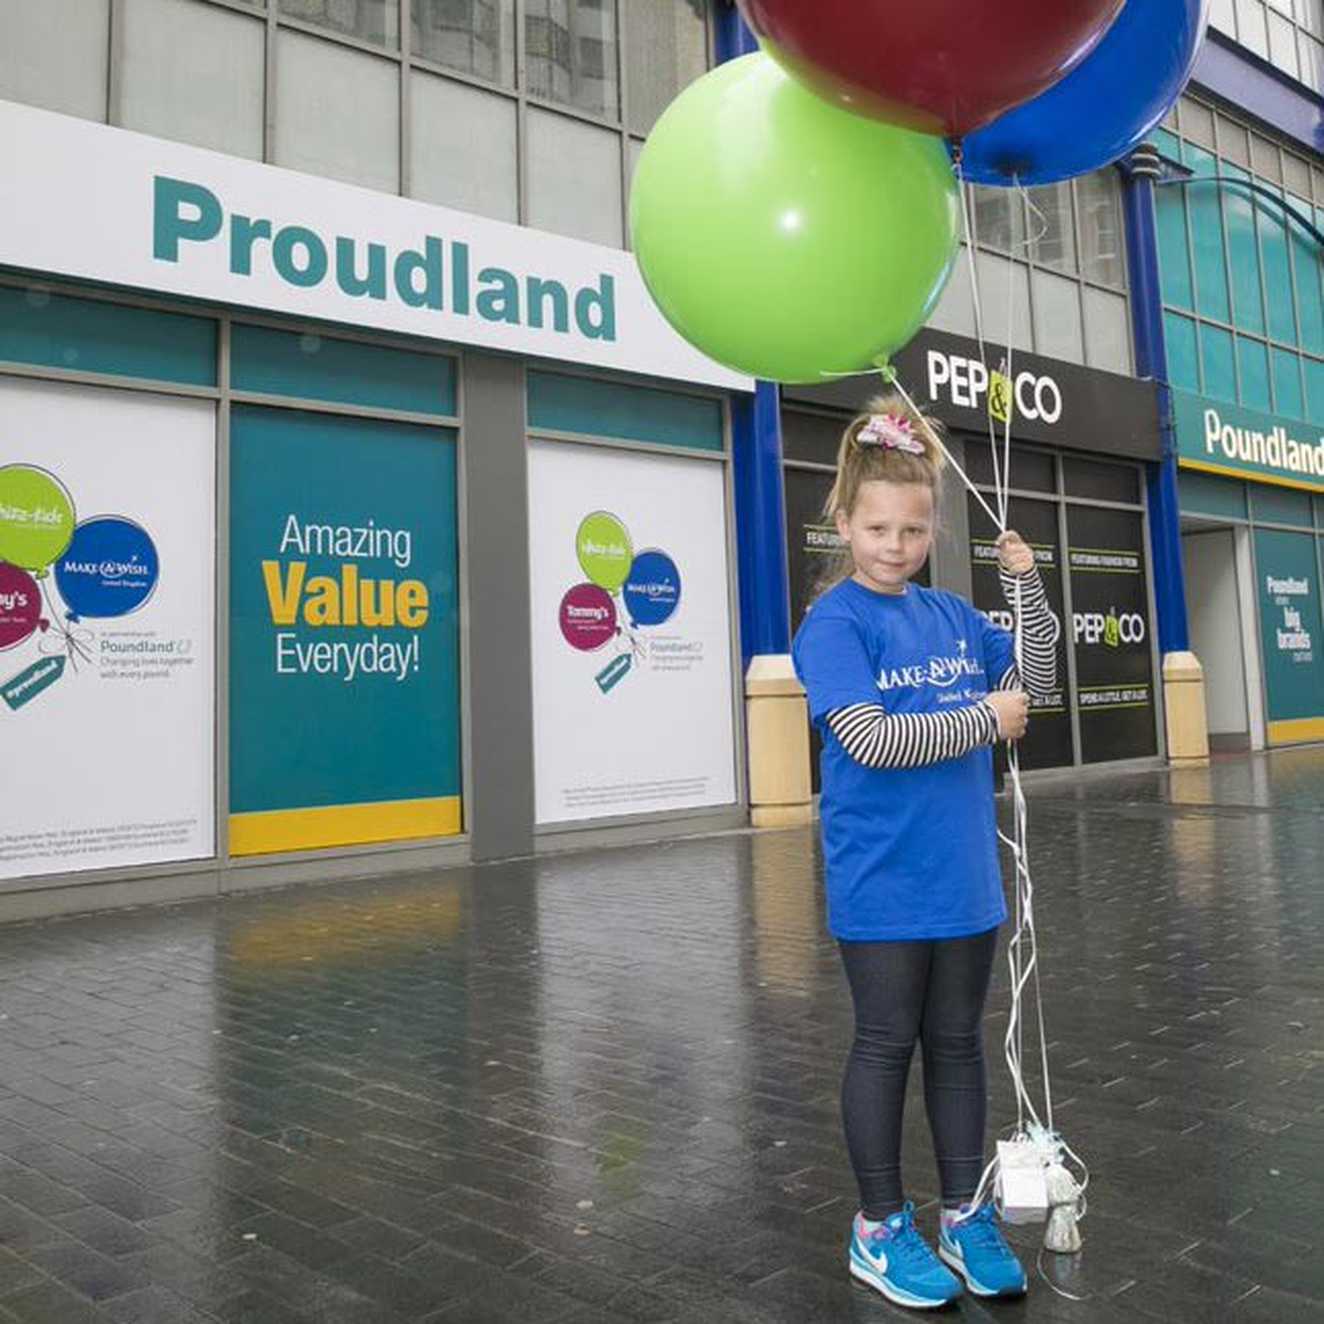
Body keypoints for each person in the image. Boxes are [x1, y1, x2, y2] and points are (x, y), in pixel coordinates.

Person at [791, 395, 1059, 1310]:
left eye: (911, 528)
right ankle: (877, 1227)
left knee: (955, 1048)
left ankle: (961, 1214)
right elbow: (869, 738)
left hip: (965, 883)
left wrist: (1026, 589)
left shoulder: (951, 616)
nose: (894, 545)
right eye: (876, 528)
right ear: (843, 521)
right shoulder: (834, 626)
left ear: (932, 524)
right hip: (881, 885)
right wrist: (984, 715)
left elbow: (1039, 679)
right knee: (884, 1045)